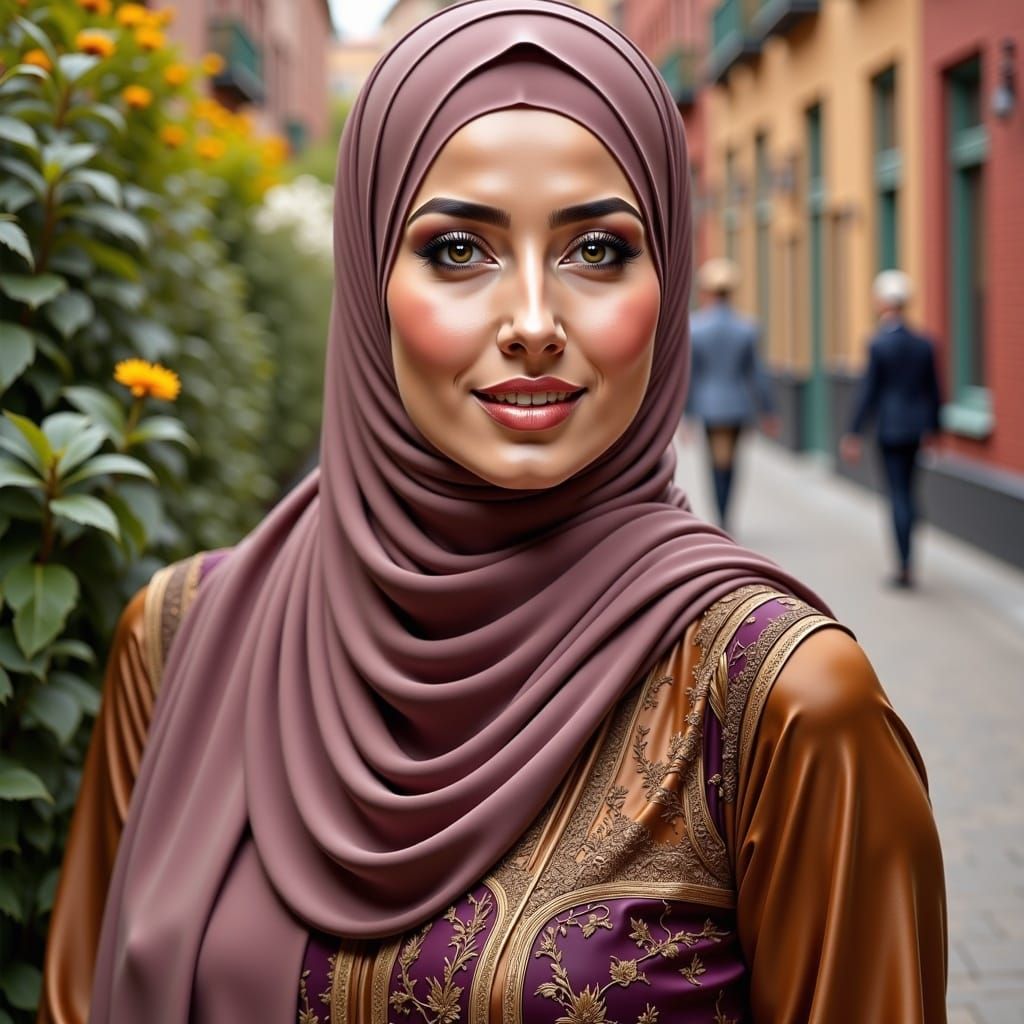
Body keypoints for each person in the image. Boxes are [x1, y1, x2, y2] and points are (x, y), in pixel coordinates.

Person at [39, 4, 947, 1022]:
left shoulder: (782, 706)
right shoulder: (179, 639)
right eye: (458, 249)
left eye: (597, 250)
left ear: (670, 278)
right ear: (368, 274)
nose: (529, 322)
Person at [840, 270, 942, 588]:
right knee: (909, 491)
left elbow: (868, 391)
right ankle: (910, 543)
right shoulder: (924, 343)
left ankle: (904, 566)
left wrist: (854, 432)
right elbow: (935, 390)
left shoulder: (878, 344)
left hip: (890, 428)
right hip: (916, 427)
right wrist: (935, 430)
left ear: (883, 302)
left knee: (896, 493)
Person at [685, 258, 778, 530]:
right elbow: (757, 374)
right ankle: (727, 516)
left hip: (708, 405)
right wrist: (768, 410)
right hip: (738, 404)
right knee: (732, 463)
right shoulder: (747, 327)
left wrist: (687, 413)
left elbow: (691, 375)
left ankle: (720, 515)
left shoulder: (695, 327)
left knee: (713, 464)